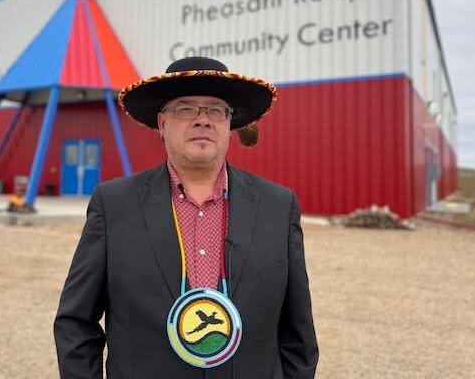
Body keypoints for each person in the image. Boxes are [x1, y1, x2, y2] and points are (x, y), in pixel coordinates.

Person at [54, 57, 318, 378]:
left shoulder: (279, 207)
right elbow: (75, 322)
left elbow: (298, 334)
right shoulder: (113, 205)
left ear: (229, 125)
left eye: (216, 109)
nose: (202, 119)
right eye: (185, 108)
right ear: (162, 124)